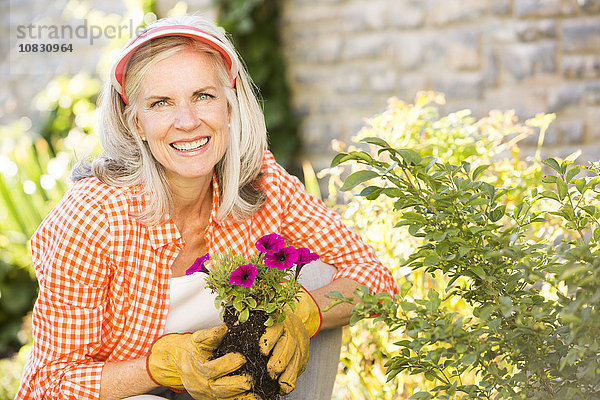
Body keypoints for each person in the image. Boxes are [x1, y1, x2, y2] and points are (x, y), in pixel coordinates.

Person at [16, 14, 398, 400]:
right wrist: (158, 367)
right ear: (136, 125)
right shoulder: (91, 218)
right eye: (161, 103)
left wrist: (306, 313)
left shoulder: (259, 180)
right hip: (129, 393)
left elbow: (375, 279)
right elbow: (48, 385)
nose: (187, 121)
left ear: (229, 107)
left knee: (313, 279)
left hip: (226, 388)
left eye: (203, 96)